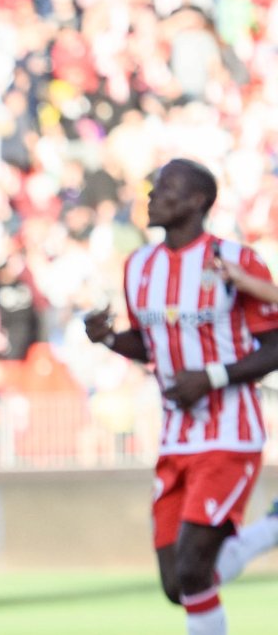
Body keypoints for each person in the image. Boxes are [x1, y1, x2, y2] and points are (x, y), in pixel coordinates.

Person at [84, 158, 278, 635]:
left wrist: (210, 377)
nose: (152, 194)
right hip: (175, 437)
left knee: (194, 566)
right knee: (178, 583)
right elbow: (150, 345)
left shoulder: (236, 261)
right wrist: (109, 337)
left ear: (197, 201)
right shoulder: (139, 266)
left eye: (166, 187)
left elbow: (274, 344)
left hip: (230, 432)